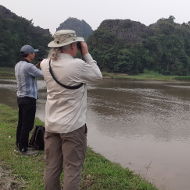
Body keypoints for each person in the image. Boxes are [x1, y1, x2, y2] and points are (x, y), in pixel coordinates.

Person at [40, 30, 102, 190]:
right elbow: (97, 75)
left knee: (52, 167)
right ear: (73, 45)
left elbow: (48, 61)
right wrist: (86, 54)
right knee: (72, 168)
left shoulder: (45, 64)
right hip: (72, 127)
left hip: (51, 125)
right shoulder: (77, 65)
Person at [15, 44, 43, 155]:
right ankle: (23, 149)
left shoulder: (18, 65)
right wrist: (45, 65)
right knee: (28, 124)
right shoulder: (29, 67)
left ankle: (19, 143)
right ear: (30, 54)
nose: (34, 54)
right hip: (29, 99)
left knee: (21, 122)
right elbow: (42, 75)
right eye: (33, 52)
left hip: (21, 97)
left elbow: (32, 72)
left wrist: (38, 65)